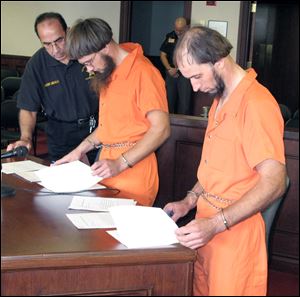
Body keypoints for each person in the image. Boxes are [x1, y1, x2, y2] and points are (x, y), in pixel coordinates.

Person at [163, 26, 287, 296]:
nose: (194, 87)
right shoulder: (220, 100)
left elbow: (275, 182)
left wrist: (216, 224)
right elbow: (216, 169)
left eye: (197, 76)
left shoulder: (256, 104)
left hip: (235, 235)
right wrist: (190, 200)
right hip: (205, 227)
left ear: (219, 60)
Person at [55, 18, 170, 207]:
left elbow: (161, 129)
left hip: (134, 173)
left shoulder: (144, 72)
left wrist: (120, 163)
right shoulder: (108, 72)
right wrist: (79, 150)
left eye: (90, 62)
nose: (89, 69)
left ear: (105, 47)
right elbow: (109, 127)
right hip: (107, 168)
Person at [6, 12, 99, 163]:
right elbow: (28, 108)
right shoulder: (36, 65)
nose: (55, 50)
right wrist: (25, 138)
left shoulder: (86, 53)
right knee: (65, 183)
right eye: (47, 44)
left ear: (67, 32)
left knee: (103, 182)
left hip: (96, 128)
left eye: (59, 40)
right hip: (61, 135)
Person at [160, 17, 192, 115]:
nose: (178, 32)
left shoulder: (191, 38)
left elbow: (191, 58)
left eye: (180, 30)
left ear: (186, 27)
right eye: (176, 29)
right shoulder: (170, 36)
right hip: (170, 73)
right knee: (168, 102)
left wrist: (177, 69)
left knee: (184, 104)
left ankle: (182, 128)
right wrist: (169, 69)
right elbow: (163, 55)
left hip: (184, 74)